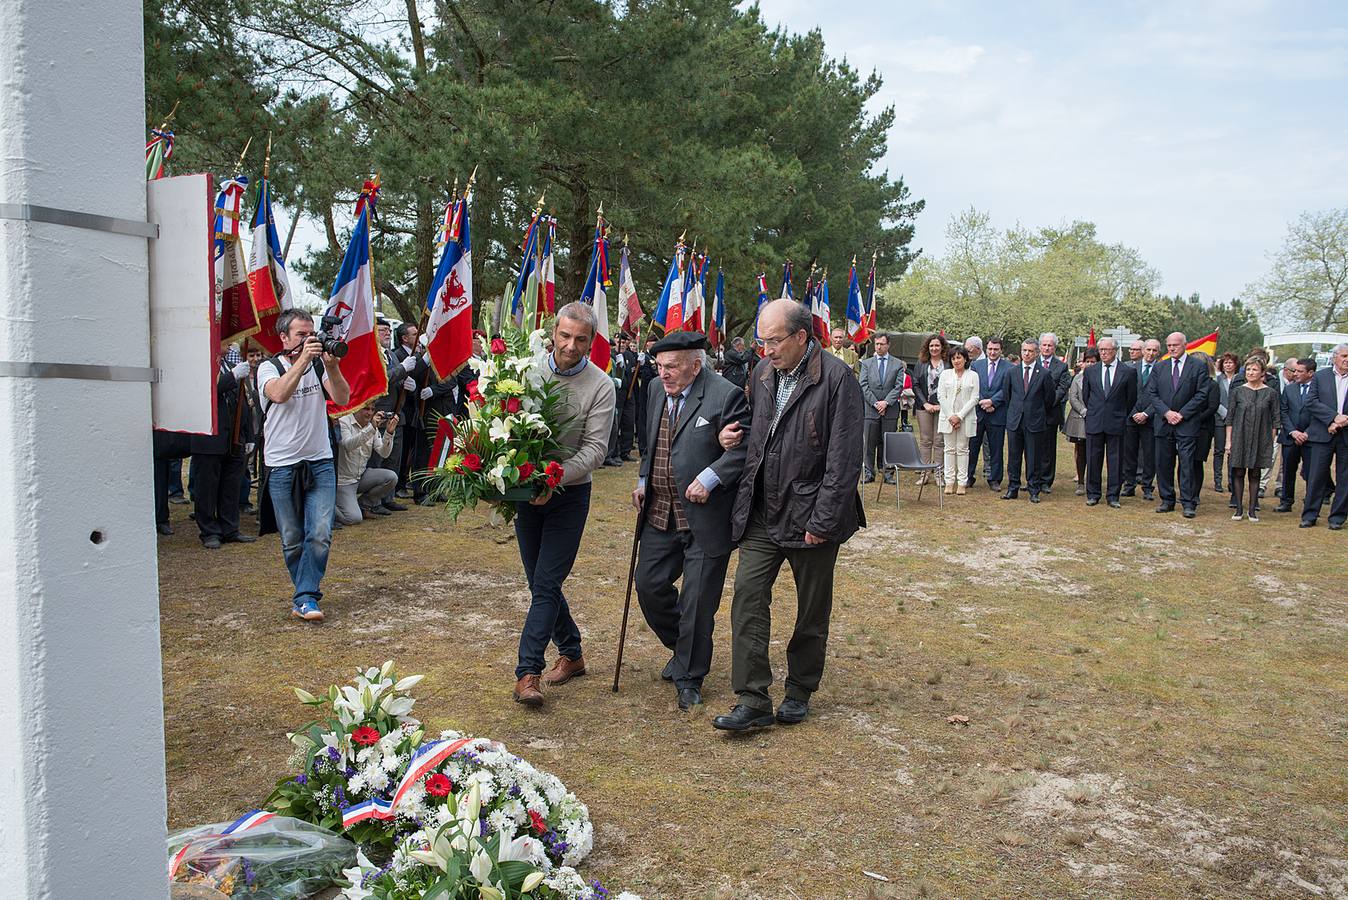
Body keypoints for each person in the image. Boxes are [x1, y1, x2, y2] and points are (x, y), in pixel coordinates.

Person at [711, 299, 864, 732]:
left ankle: (799, 689)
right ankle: (752, 698)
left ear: (801, 336)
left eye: (774, 341)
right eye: (761, 341)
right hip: (763, 511)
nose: (767, 350)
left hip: (812, 514)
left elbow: (844, 461)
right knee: (747, 595)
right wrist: (729, 437)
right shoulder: (761, 375)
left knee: (811, 609)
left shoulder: (838, 380)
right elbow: (755, 434)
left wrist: (824, 520)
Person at [632, 332, 751, 712]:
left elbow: (746, 449)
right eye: (660, 367)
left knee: (698, 603)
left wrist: (711, 476)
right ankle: (684, 648)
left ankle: (689, 677)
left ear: (695, 366)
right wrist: (642, 478)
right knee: (648, 586)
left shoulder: (725, 394)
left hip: (705, 518)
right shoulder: (654, 390)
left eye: (672, 367)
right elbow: (650, 441)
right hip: (659, 511)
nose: (664, 374)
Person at [511, 302, 616, 707]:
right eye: (565, 336)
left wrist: (553, 479)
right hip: (526, 492)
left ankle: (527, 673)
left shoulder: (601, 385)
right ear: (554, 332)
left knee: (546, 583)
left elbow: (595, 450)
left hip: (569, 494)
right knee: (538, 579)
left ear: (591, 341)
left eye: (581, 339)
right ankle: (572, 652)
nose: (571, 346)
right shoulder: (527, 372)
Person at [257, 309, 351, 622]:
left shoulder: (316, 364)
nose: (309, 340)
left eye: (311, 334)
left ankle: (306, 596)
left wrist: (332, 368)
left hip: (320, 460)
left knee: (321, 532)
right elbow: (279, 394)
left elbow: (342, 395)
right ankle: (305, 594)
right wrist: (301, 361)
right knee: (291, 537)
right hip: (282, 464)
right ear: (283, 337)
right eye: (301, 335)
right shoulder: (267, 368)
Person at [1136, 332, 1211, 518]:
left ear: (1185, 345)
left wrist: (1182, 414)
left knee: (1186, 463)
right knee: (1163, 462)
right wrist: (1167, 413)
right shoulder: (1160, 367)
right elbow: (1153, 394)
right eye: (1169, 345)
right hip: (1163, 422)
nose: (1171, 348)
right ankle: (1167, 499)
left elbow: (1202, 394)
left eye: (1175, 345)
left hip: (1187, 423)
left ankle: (1188, 502)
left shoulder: (1198, 366)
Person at [191, 356, 258, 548]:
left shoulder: (230, 365)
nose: (228, 345)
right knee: (207, 488)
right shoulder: (200, 365)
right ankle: (209, 531)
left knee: (231, 486)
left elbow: (242, 403)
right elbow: (206, 392)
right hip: (209, 438)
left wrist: (248, 436)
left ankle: (230, 528)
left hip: (234, 438)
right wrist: (232, 376)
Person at [1081, 337, 1137, 508]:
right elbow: (1086, 396)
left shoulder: (1127, 372)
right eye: (1101, 350)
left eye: (1107, 350)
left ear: (1115, 351)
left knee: (1116, 460)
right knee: (1093, 458)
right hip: (1095, 421)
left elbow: (1131, 398)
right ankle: (1093, 493)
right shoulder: (1091, 371)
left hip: (1116, 421)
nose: (1103, 353)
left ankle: (1113, 495)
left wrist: (1119, 414)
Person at [1225, 357, 1280, 522]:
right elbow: (1230, 418)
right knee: (1238, 471)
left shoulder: (1271, 393)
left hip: (1261, 437)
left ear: (1262, 372)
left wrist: (1269, 442)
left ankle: (1252, 509)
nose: (1250, 373)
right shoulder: (1237, 391)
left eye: (1254, 370)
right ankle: (1239, 508)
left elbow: (1275, 419)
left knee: (1255, 473)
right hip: (1240, 436)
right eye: (1248, 369)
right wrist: (1229, 441)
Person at [1301, 343, 1348, 530]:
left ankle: (1337, 517)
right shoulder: (1321, 376)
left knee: (1345, 478)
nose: (1346, 359)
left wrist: (1343, 421)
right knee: (1316, 477)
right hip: (1322, 433)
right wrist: (1332, 419)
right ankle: (1310, 515)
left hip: (1346, 435)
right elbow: (1311, 402)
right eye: (1343, 355)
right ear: (1334, 357)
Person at [1003, 338, 1056, 502]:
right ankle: (1013, 488)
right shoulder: (1012, 372)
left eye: (1030, 351)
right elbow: (1007, 396)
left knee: (1033, 457)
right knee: (1013, 457)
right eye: (1024, 350)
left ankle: (1034, 489)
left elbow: (1049, 398)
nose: (1026, 354)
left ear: (1037, 353)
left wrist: (1036, 412)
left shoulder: (1045, 374)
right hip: (1015, 421)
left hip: (1035, 422)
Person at [335, 405, 398, 525]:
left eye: (372, 410)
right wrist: (372, 428)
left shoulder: (371, 426)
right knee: (353, 519)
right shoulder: (344, 421)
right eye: (366, 409)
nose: (369, 413)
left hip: (360, 477)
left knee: (391, 477)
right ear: (356, 407)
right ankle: (329, 505)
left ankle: (363, 506)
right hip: (344, 481)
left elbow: (384, 453)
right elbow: (348, 445)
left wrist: (389, 433)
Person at [858, 332, 904, 484]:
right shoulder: (866, 363)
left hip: (890, 410)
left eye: (882, 344)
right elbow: (863, 385)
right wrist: (876, 403)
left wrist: (886, 403)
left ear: (888, 345)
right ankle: (869, 473)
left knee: (887, 443)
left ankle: (887, 473)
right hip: (870, 410)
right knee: (869, 443)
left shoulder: (898, 364)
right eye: (876, 344)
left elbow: (898, 387)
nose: (878, 346)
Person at [937, 346, 980, 495]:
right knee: (949, 449)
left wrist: (959, 416)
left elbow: (975, 398)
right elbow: (941, 396)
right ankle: (949, 481)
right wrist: (951, 416)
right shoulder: (945, 375)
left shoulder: (973, 375)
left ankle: (962, 482)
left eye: (959, 357)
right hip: (948, 418)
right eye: (953, 358)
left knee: (962, 449)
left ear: (965, 359)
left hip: (965, 418)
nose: (956, 361)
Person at [1274, 358, 1313, 514]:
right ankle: (1286, 501)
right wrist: (1293, 431)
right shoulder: (1290, 389)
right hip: (1290, 437)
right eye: (1294, 371)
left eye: (1299, 371)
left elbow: (1320, 414)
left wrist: (1307, 433)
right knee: (1288, 470)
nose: (1295, 374)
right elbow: (1283, 412)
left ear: (1310, 373)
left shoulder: (1319, 390)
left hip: (1311, 438)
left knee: (1311, 472)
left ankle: (1310, 502)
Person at [1124, 339, 1162, 501]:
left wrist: (1147, 414)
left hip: (1151, 419)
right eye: (1148, 350)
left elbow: (1162, 396)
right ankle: (1129, 485)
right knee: (1129, 453)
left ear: (1158, 352)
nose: (1151, 353)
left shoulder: (1162, 370)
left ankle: (1147, 487)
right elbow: (1125, 394)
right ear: (1143, 350)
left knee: (1149, 455)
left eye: (1154, 350)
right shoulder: (1130, 369)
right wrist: (1133, 413)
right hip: (1130, 417)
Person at [970, 337, 1010, 490]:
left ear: (1001, 350)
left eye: (996, 349)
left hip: (997, 413)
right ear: (986, 349)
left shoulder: (1008, 368)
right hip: (978, 413)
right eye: (990, 349)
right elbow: (972, 386)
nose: (992, 352)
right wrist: (983, 402)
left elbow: (1007, 389)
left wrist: (993, 402)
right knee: (972, 446)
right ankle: (968, 476)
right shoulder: (976, 366)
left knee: (996, 448)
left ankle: (994, 479)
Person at [1035, 333, 1072, 493]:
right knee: (1032, 447)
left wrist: (1048, 402)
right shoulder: (1032, 363)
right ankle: (1032, 479)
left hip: (1050, 413)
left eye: (1049, 345)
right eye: (1044, 345)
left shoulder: (1061, 366)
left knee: (1048, 449)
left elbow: (1062, 388)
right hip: (1032, 413)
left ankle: (1045, 481)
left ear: (1054, 347)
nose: (1046, 348)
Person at [912, 334, 948, 485]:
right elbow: (915, 384)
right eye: (931, 346)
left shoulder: (948, 363)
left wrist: (943, 405)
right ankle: (924, 474)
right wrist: (925, 403)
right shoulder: (921, 363)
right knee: (926, 441)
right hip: (924, 407)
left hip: (943, 407)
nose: (934, 348)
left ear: (942, 347)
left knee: (939, 442)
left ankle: (939, 474)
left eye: (937, 346)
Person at [1063, 350, 1096, 495]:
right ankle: (1081, 481)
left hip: (1098, 418)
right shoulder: (1077, 378)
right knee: (1081, 451)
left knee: (1095, 452)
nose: (1089, 364)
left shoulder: (1101, 377)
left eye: (1093, 361)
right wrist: (1084, 411)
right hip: (1080, 419)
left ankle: (1093, 482)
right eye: (1087, 361)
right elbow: (1073, 398)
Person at [1190, 351, 1222, 497]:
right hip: (1186, 427)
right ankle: (1186, 492)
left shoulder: (1212, 385)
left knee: (1197, 462)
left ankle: (1195, 494)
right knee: (1185, 462)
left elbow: (1212, 407)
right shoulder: (1188, 382)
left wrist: (1194, 418)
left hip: (1203, 428)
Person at [1211, 352, 1241, 493]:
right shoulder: (1217, 380)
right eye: (1225, 362)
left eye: (1230, 362)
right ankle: (1218, 480)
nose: (1228, 365)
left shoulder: (1241, 380)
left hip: (1236, 420)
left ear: (1235, 364)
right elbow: (1214, 400)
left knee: (1233, 451)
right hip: (1220, 420)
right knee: (1219, 451)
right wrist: (1225, 414)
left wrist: (1234, 415)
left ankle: (1231, 480)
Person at [612, 335, 639, 461]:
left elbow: (636, 373)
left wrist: (641, 363)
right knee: (616, 424)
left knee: (628, 422)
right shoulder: (611, 355)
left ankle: (625, 451)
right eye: (619, 342)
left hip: (629, 393)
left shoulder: (629, 356)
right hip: (617, 394)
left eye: (623, 342)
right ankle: (614, 453)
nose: (621, 344)